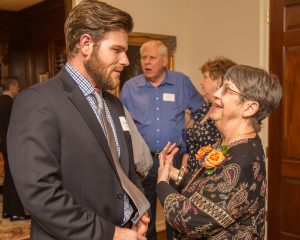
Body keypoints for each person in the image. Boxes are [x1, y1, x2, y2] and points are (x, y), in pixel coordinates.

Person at [7, 1, 149, 240]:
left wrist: (138, 211)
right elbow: (41, 193)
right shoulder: (37, 102)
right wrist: (111, 234)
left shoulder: (114, 104)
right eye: (117, 50)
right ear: (86, 44)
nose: (125, 60)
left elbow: (126, 170)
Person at [157, 64, 282, 239]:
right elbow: (208, 190)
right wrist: (171, 172)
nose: (216, 93)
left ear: (248, 108)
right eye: (221, 86)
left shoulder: (242, 158)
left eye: (227, 90)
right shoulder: (229, 143)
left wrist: (162, 184)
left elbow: (189, 219)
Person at [120, 40, 204, 240]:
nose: (146, 62)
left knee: (174, 211)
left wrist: (188, 134)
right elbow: (119, 120)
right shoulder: (131, 87)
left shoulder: (181, 82)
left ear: (165, 60)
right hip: (143, 162)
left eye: (152, 58)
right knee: (144, 214)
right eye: (143, 58)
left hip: (173, 160)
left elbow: (201, 111)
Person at [181, 58, 236, 172]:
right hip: (189, 175)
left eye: (205, 77)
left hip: (208, 175)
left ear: (218, 81)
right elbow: (189, 145)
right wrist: (182, 170)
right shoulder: (205, 107)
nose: (201, 82)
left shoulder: (224, 111)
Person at [0, 77, 29, 221]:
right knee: (14, 177)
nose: (18, 89)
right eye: (17, 86)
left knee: (8, 178)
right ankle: (16, 212)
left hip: (3, 144)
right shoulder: (10, 103)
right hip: (11, 144)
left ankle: (7, 210)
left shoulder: (1, 101)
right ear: (11, 86)